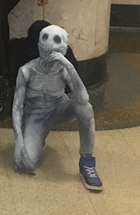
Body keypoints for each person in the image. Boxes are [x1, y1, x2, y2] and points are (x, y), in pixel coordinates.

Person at [13, 24, 102, 191]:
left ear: (64, 47)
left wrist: (68, 65)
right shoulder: (26, 71)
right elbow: (17, 107)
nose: (49, 46)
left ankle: (87, 161)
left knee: (86, 108)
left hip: (59, 109)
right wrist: (18, 140)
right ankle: (38, 139)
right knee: (25, 165)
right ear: (39, 44)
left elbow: (83, 99)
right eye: (45, 39)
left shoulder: (63, 69)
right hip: (35, 116)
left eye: (56, 40)